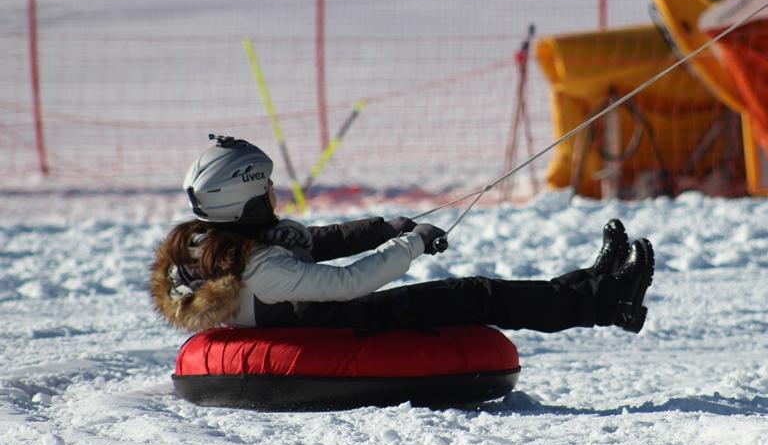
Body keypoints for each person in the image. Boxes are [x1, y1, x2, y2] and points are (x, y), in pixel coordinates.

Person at [150, 135, 655, 336]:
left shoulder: (208, 243)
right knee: (476, 294)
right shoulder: (261, 268)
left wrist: (382, 228)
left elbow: (318, 243)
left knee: (473, 292)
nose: (274, 195)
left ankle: (594, 282)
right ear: (246, 198)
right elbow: (346, 283)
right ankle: (611, 304)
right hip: (344, 324)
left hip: (319, 316)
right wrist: (412, 244)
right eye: (266, 189)